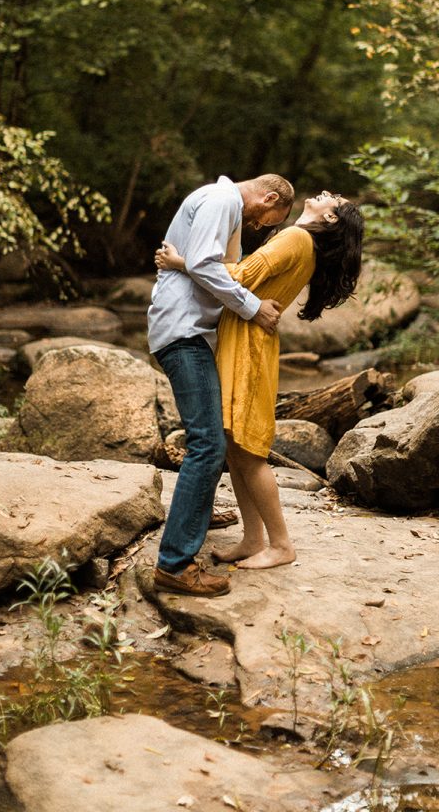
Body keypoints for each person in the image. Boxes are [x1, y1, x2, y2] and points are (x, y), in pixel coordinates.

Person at [156, 191, 363, 570]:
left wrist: (182, 262)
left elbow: (241, 275)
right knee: (235, 448)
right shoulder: (301, 243)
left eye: (331, 198)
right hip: (245, 336)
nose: (323, 194)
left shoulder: (296, 239)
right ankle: (253, 539)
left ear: (332, 219)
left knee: (248, 452)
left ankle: (281, 544)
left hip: (248, 344)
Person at [148, 174, 294, 598]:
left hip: (191, 333)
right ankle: (175, 564)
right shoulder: (221, 200)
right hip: (183, 333)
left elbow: (200, 263)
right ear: (268, 197)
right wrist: (253, 309)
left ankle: (191, 520)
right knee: (208, 445)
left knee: (209, 441)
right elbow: (204, 265)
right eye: (271, 219)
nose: (265, 227)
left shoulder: (222, 205)